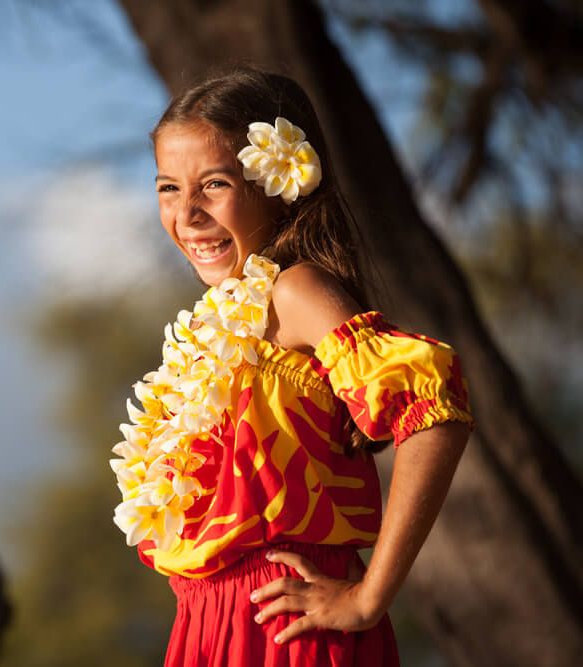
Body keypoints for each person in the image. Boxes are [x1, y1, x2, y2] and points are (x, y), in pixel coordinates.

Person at [109, 65, 475, 666]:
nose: (188, 214)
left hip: (280, 627)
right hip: (205, 628)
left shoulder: (294, 292)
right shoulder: (217, 324)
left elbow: (434, 409)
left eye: (215, 184)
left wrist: (367, 598)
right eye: (168, 188)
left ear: (277, 185)